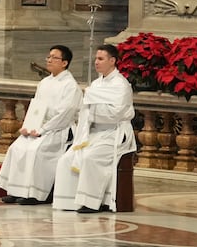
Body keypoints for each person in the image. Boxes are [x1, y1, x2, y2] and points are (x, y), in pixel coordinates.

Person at [54, 43, 137, 213]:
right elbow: (86, 108)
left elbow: (116, 113)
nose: (96, 62)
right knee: (66, 159)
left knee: (90, 158)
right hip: (94, 132)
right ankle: (69, 202)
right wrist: (91, 112)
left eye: (100, 59)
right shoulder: (97, 84)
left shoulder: (121, 85)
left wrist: (92, 112)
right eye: (95, 59)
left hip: (114, 133)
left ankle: (92, 202)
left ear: (112, 61)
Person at [0, 46, 81, 204]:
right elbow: (36, 108)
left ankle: (36, 194)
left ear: (64, 63)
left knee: (36, 150)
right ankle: (16, 190)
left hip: (58, 129)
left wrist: (42, 130)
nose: (48, 60)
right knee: (17, 147)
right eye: (48, 57)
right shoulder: (45, 82)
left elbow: (64, 114)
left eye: (54, 57)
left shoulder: (70, 86)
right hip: (38, 127)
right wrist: (27, 126)